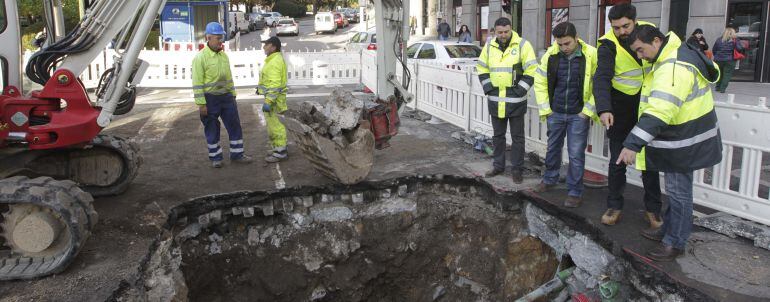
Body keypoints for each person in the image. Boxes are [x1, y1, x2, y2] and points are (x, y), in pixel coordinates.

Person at [620, 25, 722, 261]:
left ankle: (675, 243)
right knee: (676, 191)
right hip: (684, 136)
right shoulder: (674, 56)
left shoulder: (672, 67)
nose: (639, 56)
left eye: (640, 50)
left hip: (684, 140)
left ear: (656, 41)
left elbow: (660, 111)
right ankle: (668, 230)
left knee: (679, 193)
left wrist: (632, 144)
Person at [593, 3, 662, 227]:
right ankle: (614, 205)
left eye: (626, 26)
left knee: (649, 161)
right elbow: (601, 77)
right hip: (621, 108)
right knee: (617, 161)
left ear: (635, 21)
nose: (621, 31)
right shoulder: (607, 45)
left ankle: (653, 209)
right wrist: (604, 108)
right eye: (616, 27)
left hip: (649, 106)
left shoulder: (650, 31)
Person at [532, 22, 598, 207]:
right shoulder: (550, 55)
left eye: (567, 43)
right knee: (552, 148)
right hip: (556, 113)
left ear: (576, 38)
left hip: (579, 114)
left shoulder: (591, 54)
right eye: (560, 44)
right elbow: (540, 82)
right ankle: (549, 178)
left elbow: (599, 84)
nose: (564, 48)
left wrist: (587, 112)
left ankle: (575, 192)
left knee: (576, 154)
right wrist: (547, 110)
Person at [476, 17, 538, 184]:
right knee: (498, 136)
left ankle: (517, 170)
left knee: (517, 138)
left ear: (511, 29)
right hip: (496, 100)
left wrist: (520, 90)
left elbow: (532, 69)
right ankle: (498, 166)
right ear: (494, 31)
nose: (503, 35)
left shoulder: (523, 45)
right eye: (500, 32)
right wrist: (488, 87)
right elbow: (481, 67)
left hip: (516, 101)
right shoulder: (489, 46)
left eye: (506, 32)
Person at [192, 22, 253, 168]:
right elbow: (197, 82)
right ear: (208, 38)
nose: (221, 41)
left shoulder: (223, 56)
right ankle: (216, 158)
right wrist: (201, 104)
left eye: (221, 38)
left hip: (227, 98)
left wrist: (233, 95)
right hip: (210, 99)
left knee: (234, 126)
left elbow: (228, 77)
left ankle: (237, 155)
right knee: (212, 128)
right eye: (218, 38)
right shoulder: (200, 58)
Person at [257, 37, 289, 163]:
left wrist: (269, 101)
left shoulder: (274, 61)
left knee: (276, 126)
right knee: (273, 125)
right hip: (274, 100)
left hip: (274, 102)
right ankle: (278, 148)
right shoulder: (273, 60)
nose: (264, 47)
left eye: (266, 45)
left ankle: (280, 152)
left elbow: (274, 84)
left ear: (273, 47)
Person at [712, 27, 744, 93]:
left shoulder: (719, 39)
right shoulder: (735, 40)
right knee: (727, 75)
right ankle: (722, 89)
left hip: (718, 60)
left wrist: (717, 56)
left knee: (719, 74)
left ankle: (717, 87)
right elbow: (740, 49)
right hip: (730, 60)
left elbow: (714, 50)